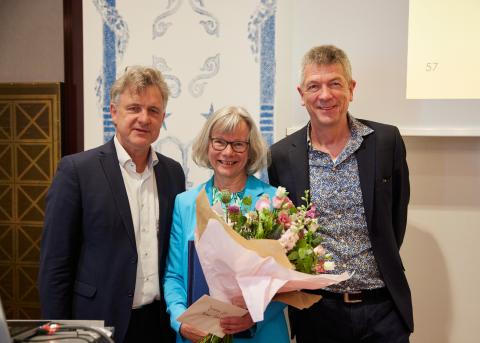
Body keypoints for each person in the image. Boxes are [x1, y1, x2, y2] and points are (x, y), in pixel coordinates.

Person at [268, 45, 413, 342]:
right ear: (301, 94)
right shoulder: (282, 155)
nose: (325, 95)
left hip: (383, 310)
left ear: (351, 88)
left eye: (335, 83)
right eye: (314, 86)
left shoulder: (386, 142)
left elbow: (395, 219)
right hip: (318, 313)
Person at [38, 66, 185, 343]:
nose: (144, 118)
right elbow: (55, 266)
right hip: (97, 323)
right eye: (134, 108)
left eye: (153, 111)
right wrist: (57, 336)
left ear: (163, 118)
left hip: (159, 324)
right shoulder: (76, 171)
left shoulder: (173, 173)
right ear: (114, 112)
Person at [163, 106, 290, 343]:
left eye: (238, 144)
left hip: (261, 335)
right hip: (198, 335)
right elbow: (174, 275)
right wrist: (179, 320)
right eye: (219, 142)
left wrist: (255, 315)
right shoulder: (185, 203)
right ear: (208, 145)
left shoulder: (274, 202)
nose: (228, 152)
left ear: (250, 150)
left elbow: (289, 281)